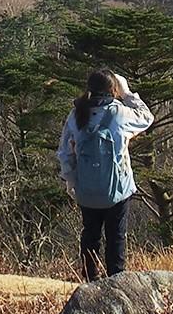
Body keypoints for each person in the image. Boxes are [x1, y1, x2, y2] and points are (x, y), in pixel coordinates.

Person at [56, 69, 153, 281]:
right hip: (117, 190)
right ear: (113, 89)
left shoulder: (76, 115)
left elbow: (64, 152)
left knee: (90, 235)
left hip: (86, 190)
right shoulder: (120, 113)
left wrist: (71, 181)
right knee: (116, 237)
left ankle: (90, 280)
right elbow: (147, 117)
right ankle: (116, 281)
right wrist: (127, 93)